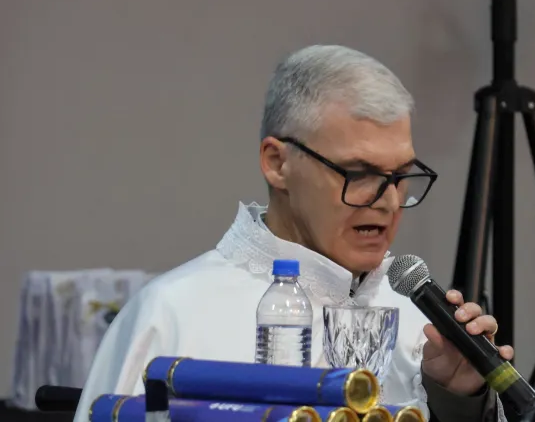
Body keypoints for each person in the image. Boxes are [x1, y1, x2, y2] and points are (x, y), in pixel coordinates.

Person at [75, 45, 512, 422]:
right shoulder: (174, 314)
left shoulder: (426, 330)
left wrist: (458, 402)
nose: (389, 201)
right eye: (359, 173)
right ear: (277, 163)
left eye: (401, 176)